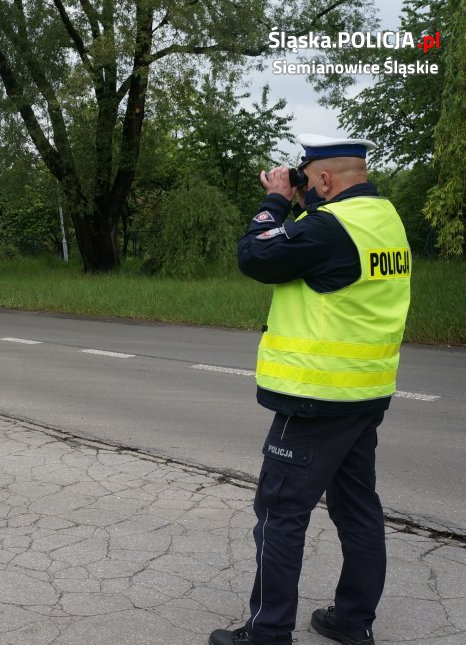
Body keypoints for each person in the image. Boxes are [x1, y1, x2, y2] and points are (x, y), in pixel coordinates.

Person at [210, 134, 412, 645]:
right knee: (357, 508)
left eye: (308, 178)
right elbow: (314, 255)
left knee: (280, 515)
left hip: (315, 399)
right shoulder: (384, 219)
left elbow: (256, 256)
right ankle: (352, 621)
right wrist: (301, 210)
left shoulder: (328, 228)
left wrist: (276, 199)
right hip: (365, 395)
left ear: (324, 179)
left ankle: (268, 633)